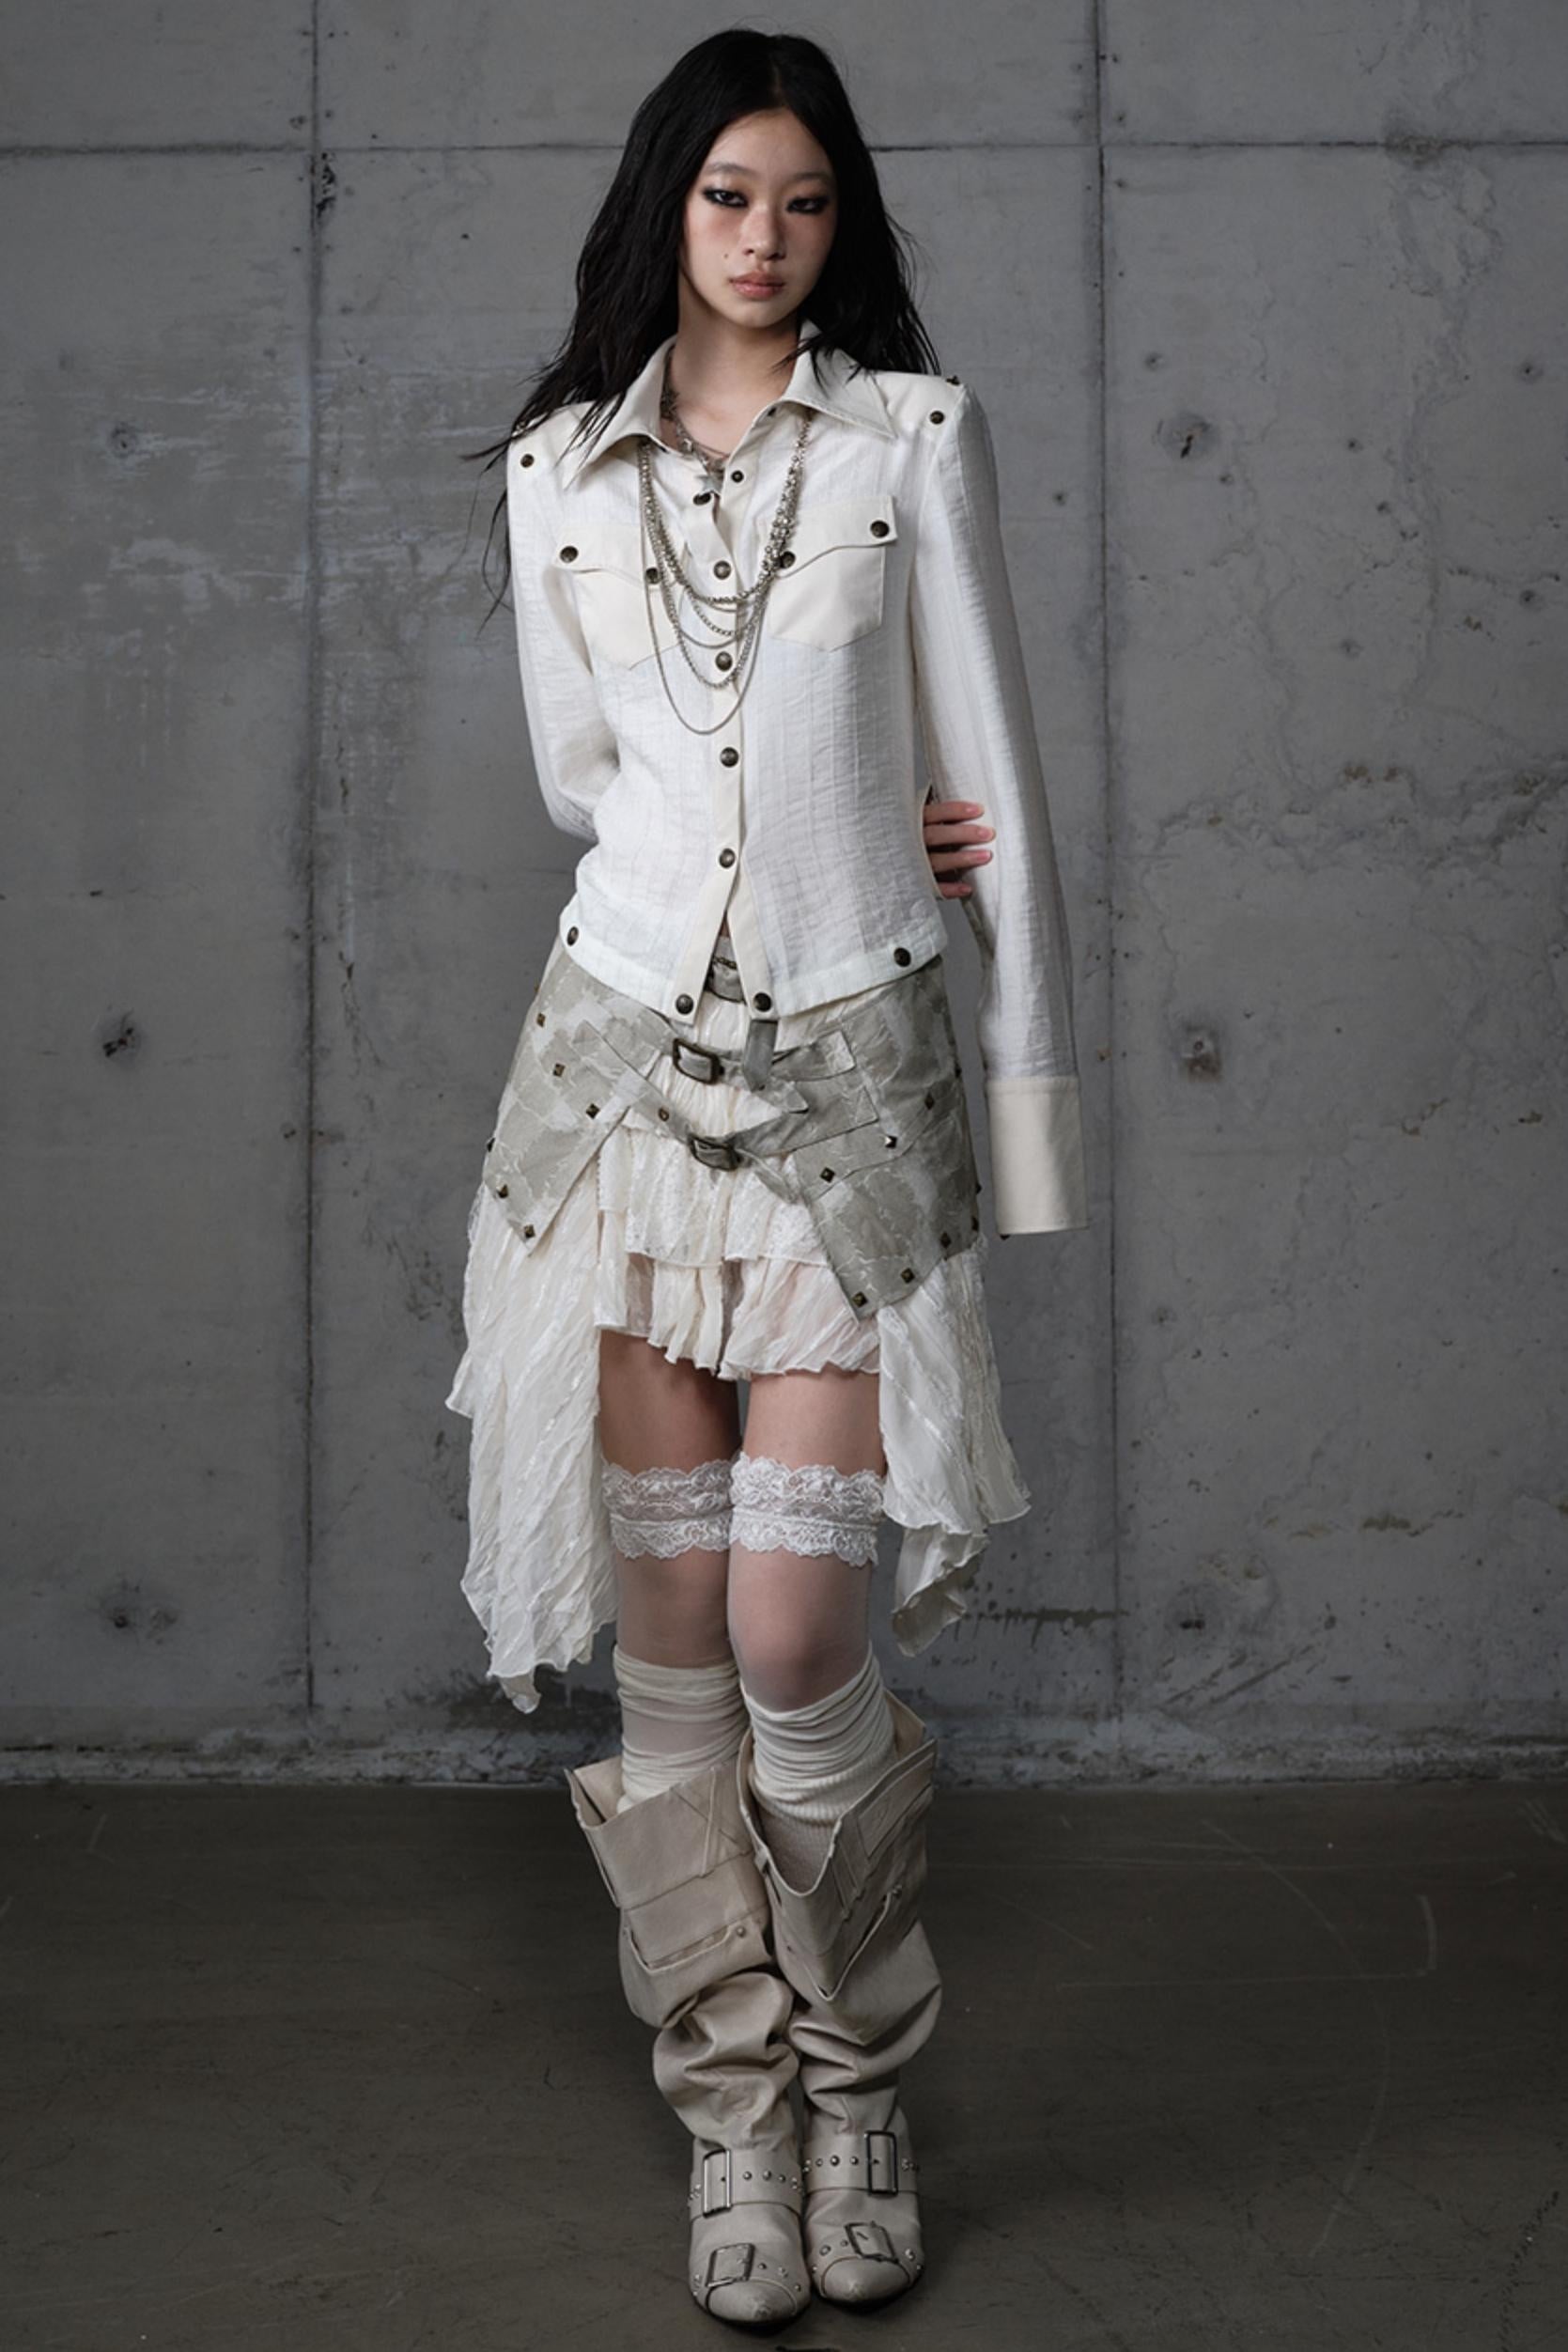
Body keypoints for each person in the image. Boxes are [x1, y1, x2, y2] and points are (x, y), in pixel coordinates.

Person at [447, 26, 1088, 2329]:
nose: (765, 236)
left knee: (801, 1632)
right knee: (668, 1653)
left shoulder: (910, 441)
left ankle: (855, 2082)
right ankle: (731, 2116)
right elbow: (582, 780)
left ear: (841, 224)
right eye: (729, 194)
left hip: (853, 1078)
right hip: (621, 1082)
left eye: (806, 201)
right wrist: (759, 809)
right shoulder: (556, 473)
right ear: (669, 207)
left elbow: (999, 791)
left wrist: (1021, 1091)